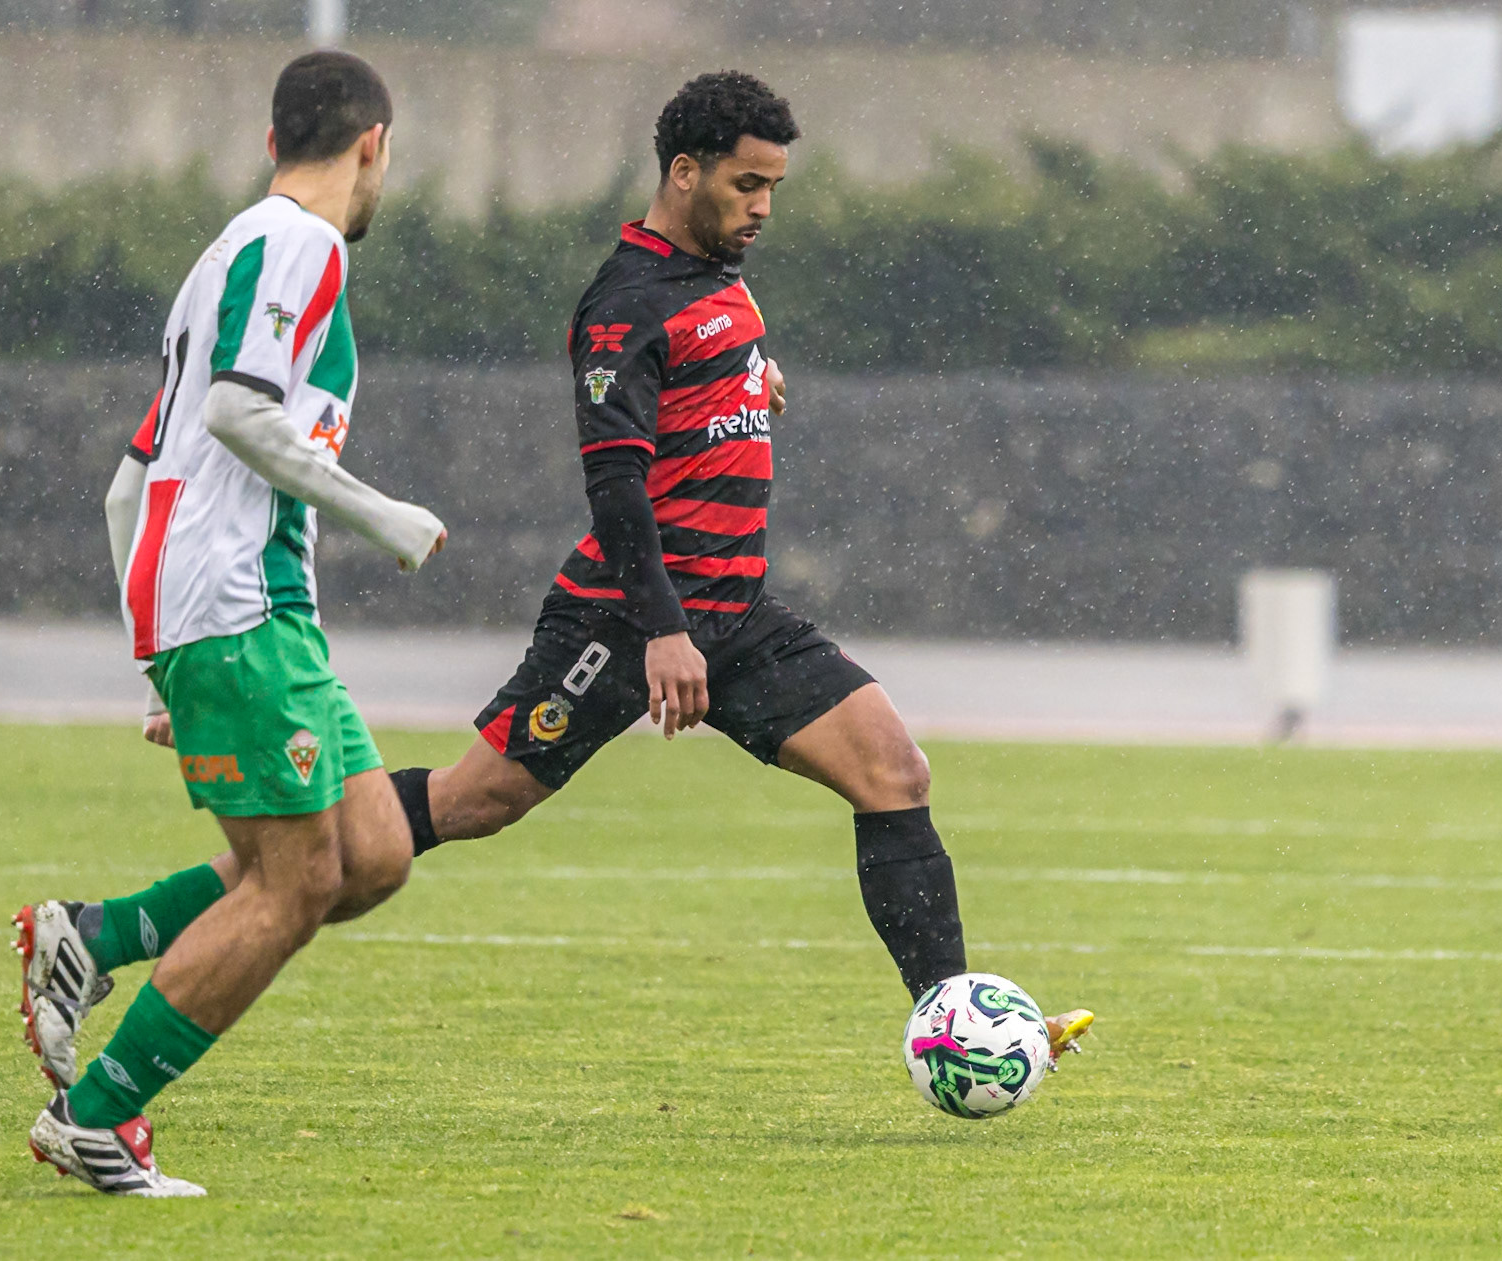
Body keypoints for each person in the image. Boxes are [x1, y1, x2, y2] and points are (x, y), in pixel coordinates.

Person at [382, 71, 1093, 1053]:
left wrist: (753, 382)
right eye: (746, 184)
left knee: (894, 770)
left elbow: (703, 379)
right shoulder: (624, 303)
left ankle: (955, 1024)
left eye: (773, 188)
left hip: (736, 612)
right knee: (475, 802)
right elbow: (616, 486)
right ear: (684, 172)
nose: (762, 207)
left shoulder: (718, 275)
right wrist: (664, 632)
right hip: (626, 617)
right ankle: (280, 857)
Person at [12, 49, 446, 1197]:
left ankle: (95, 938)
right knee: (293, 884)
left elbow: (129, 485)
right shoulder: (305, 246)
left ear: (271, 142)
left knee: (372, 852)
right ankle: (96, 1117)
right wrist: (385, 516)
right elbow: (237, 415)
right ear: (373, 145)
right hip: (241, 605)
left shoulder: (223, 256)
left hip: (233, 604)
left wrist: (156, 659)